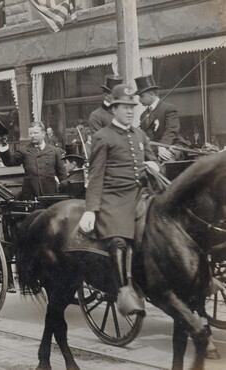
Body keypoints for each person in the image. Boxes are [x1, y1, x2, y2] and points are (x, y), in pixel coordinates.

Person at [79, 84, 159, 315]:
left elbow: (152, 160)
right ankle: (124, 292)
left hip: (141, 194)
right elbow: (95, 176)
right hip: (113, 198)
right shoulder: (102, 137)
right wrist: (91, 209)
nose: (129, 111)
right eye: (124, 107)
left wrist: (154, 165)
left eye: (132, 107)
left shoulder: (139, 134)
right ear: (114, 109)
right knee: (119, 240)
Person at [0, 121, 67, 200]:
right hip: (30, 196)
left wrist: (64, 194)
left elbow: (62, 176)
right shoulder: (24, 150)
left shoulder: (55, 151)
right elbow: (9, 162)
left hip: (50, 195)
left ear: (43, 133)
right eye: (30, 133)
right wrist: (4, 144)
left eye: (35, 133)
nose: (32, 136)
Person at [136, 74, 183, 161]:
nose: (139, 100)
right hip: (153, 149)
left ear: (151, 94)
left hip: (172, 145)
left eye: (141, 96)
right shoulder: (143, 115)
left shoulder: (168, 109)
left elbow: (171, 130)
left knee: (166, 157)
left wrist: (162, 146)